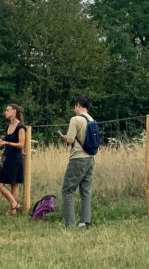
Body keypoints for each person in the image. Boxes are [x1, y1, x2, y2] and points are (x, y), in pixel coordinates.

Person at [59, 96, 95, 229]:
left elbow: (70, 139)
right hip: (90, 158)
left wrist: (64, 137)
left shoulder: (75, 119)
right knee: (86, 191)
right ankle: (84, 222)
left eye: (75, 106)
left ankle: (70, 224)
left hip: (77, 158)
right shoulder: (91, 119)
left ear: (78, 105)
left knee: (67, 191)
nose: (74, 109)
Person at [0, 104, 26, 215]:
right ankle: (14, 203)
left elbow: (21, 145)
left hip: (16, 158)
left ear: (14, 111)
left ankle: (13, 210)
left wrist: (7, 143)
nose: (5, 112)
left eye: (7, 110)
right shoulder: (7, 127)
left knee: (14, 183)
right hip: (6, 156)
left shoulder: (21, 127)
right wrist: (3, 142)